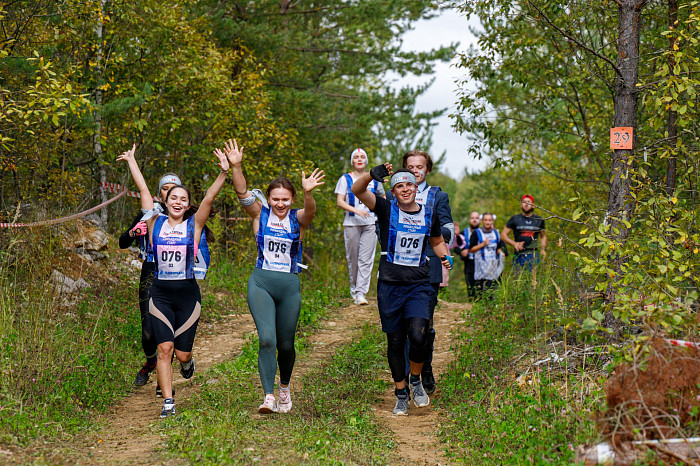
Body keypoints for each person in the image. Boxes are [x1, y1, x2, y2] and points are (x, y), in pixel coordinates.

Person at [117, 143, 227, 418]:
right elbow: (143, 192)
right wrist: (131, 161)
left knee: (181, 355)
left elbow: (210, 199)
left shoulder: (195, 225)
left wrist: (224, 173)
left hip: (188, 295)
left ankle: (187, 365)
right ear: (165, 202)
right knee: (163, 348)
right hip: (160, 293)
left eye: (183, 199)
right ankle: (168, 402)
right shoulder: (154, 222)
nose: (177, 202)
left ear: (188, 204)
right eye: (172, 197)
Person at [226, 139, 325, 414]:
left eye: (285, 199)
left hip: (289, 285)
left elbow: (311, 212)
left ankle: (284, 386)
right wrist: (236, 165)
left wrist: (308, 193)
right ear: (268, 199)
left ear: (291, 200)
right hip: (261, 282)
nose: (280, 204)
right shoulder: (260, 213)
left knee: (286, 344)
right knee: (267, 339)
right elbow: (242, 192)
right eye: (275, 199)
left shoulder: (297, 218)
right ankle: (268, 395)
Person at [352, 163, 453, 416]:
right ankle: (400, 393)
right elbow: (357, 189)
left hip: (419, 283)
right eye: (399, 186)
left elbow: (437, 240)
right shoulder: (386, 209)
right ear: (394, 192)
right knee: (395, 341)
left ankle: (416, 380)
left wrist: (443, 256)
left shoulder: (429, 212)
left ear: (416, 187)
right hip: (390, 285)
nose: (405, 189)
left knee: (419, 335)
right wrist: (369, 176)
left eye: (409, 184)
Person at [387, 150, 454, 396]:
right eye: (410, 167)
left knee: (424, 326)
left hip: (428, 266)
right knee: (400, 328)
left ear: (427, 170)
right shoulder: (392, 193)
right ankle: (404, 378)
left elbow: (448, 228)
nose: (415, 170)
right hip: (398, 269)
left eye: (420, 166)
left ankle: (424, 369)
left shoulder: (438, 196)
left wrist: (428, 232)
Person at [119, 173, 181, 395]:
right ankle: (151, 362)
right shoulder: (148, 214)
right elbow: (122, 242)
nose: (170, 193)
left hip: (175, 274)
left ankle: (163, 381)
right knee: (148, 333)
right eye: (165, 189)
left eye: (174, 189)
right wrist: (133, 232)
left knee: (169, 330)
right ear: (160, 193)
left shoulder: (182, 215)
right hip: (150, 272)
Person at [334, 148, 385, 305]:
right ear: (352, 161)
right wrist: (356, 210)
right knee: (353, 258)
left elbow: (382, 197)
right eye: (356, 157)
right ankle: (354, 288)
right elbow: (339, 201)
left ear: (367, 160)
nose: (359, 159)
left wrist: (379, 209)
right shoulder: (345, 179)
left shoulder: (375, 180)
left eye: (362, 156)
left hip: (370, 223)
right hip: (351, 224)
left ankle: (361, 293)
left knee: (366, 259)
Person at [501, 195, 547, 271]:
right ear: (521, 205)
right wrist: (514, 243)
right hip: (519, 254)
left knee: (534, 280)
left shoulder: (539, 220)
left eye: (529, 202)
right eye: (524, 202)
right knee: (518, 279)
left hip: (533, 254)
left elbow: (543, 236)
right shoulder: (515, 219)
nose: (526, 204)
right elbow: (503, 235)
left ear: (533, 205)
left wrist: (543, 249)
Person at [468, 213, 503, 295]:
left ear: (492, 221)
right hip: (481, 268)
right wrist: (482, 244)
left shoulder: (496, 233)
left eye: (490, 220)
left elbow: (498, 248)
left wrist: (501, 253)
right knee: (481, 293)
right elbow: (471, 250)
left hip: (493, 267)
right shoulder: (476, 233)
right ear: (482, 221)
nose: (488, 222)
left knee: (493, 291)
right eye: (486, 220)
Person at [453, 211, 480, 297]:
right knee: (470, 284)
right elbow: (456, 247)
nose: (474, 220)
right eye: (472, 218)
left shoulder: (484, 233)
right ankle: (471, 304)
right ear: (469, 220)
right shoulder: (464, 233)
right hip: (469, 262)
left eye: (476, 218)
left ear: (480, 220)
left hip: (482, 262)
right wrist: (461, 252)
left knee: (481, 285)